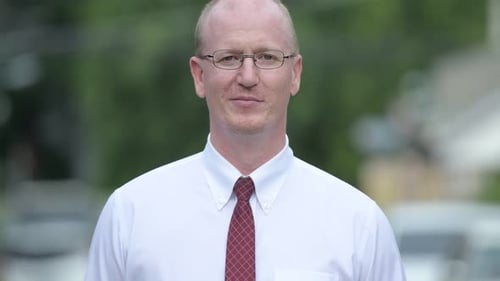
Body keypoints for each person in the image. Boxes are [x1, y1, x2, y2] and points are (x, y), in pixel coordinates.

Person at [84, 0, 407, 280]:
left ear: (295, 74)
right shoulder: (131, 215)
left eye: (267, 57)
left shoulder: (358, 225)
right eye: (228, 58)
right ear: (199, 76)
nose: (248, 77)